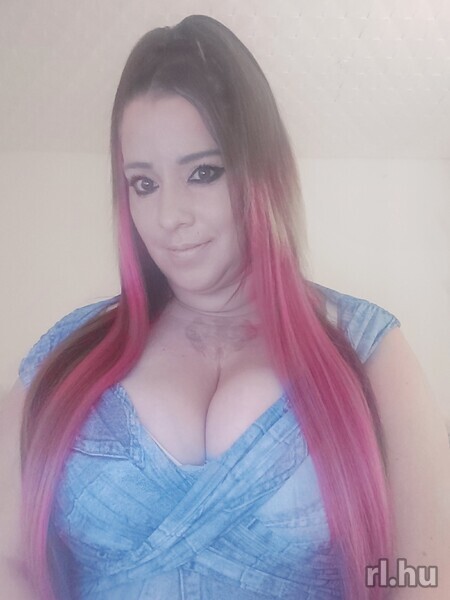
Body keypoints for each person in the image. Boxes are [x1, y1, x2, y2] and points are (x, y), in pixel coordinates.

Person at [1, 14, 449, 600]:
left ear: (263, 173)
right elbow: (9, 563)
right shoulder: (67, 352)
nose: (170, 217)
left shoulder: (368, 349)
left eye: (203, 173)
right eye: (144, 183)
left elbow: (423, 573)